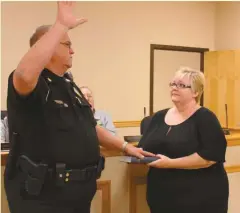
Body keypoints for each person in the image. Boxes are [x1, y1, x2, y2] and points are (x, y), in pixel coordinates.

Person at [4, 2, 153, 213]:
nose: (73, 50)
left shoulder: (68, 85)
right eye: (67, 44)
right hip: (42, 197)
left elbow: (88, 126)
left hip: (77, 195)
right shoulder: (33, 83)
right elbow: (23, 75)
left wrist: (125, 147)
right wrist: (60, 25)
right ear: (48, 44)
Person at [138, 67, 229, 213]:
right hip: (161, 194)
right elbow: (145, 146)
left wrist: (170, 163)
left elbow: (210, 157)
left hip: (199, 196)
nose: (175, 88)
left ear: (196, 92)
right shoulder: (158, 117)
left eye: (181, 85)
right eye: (173, 84)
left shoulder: (206, 118)